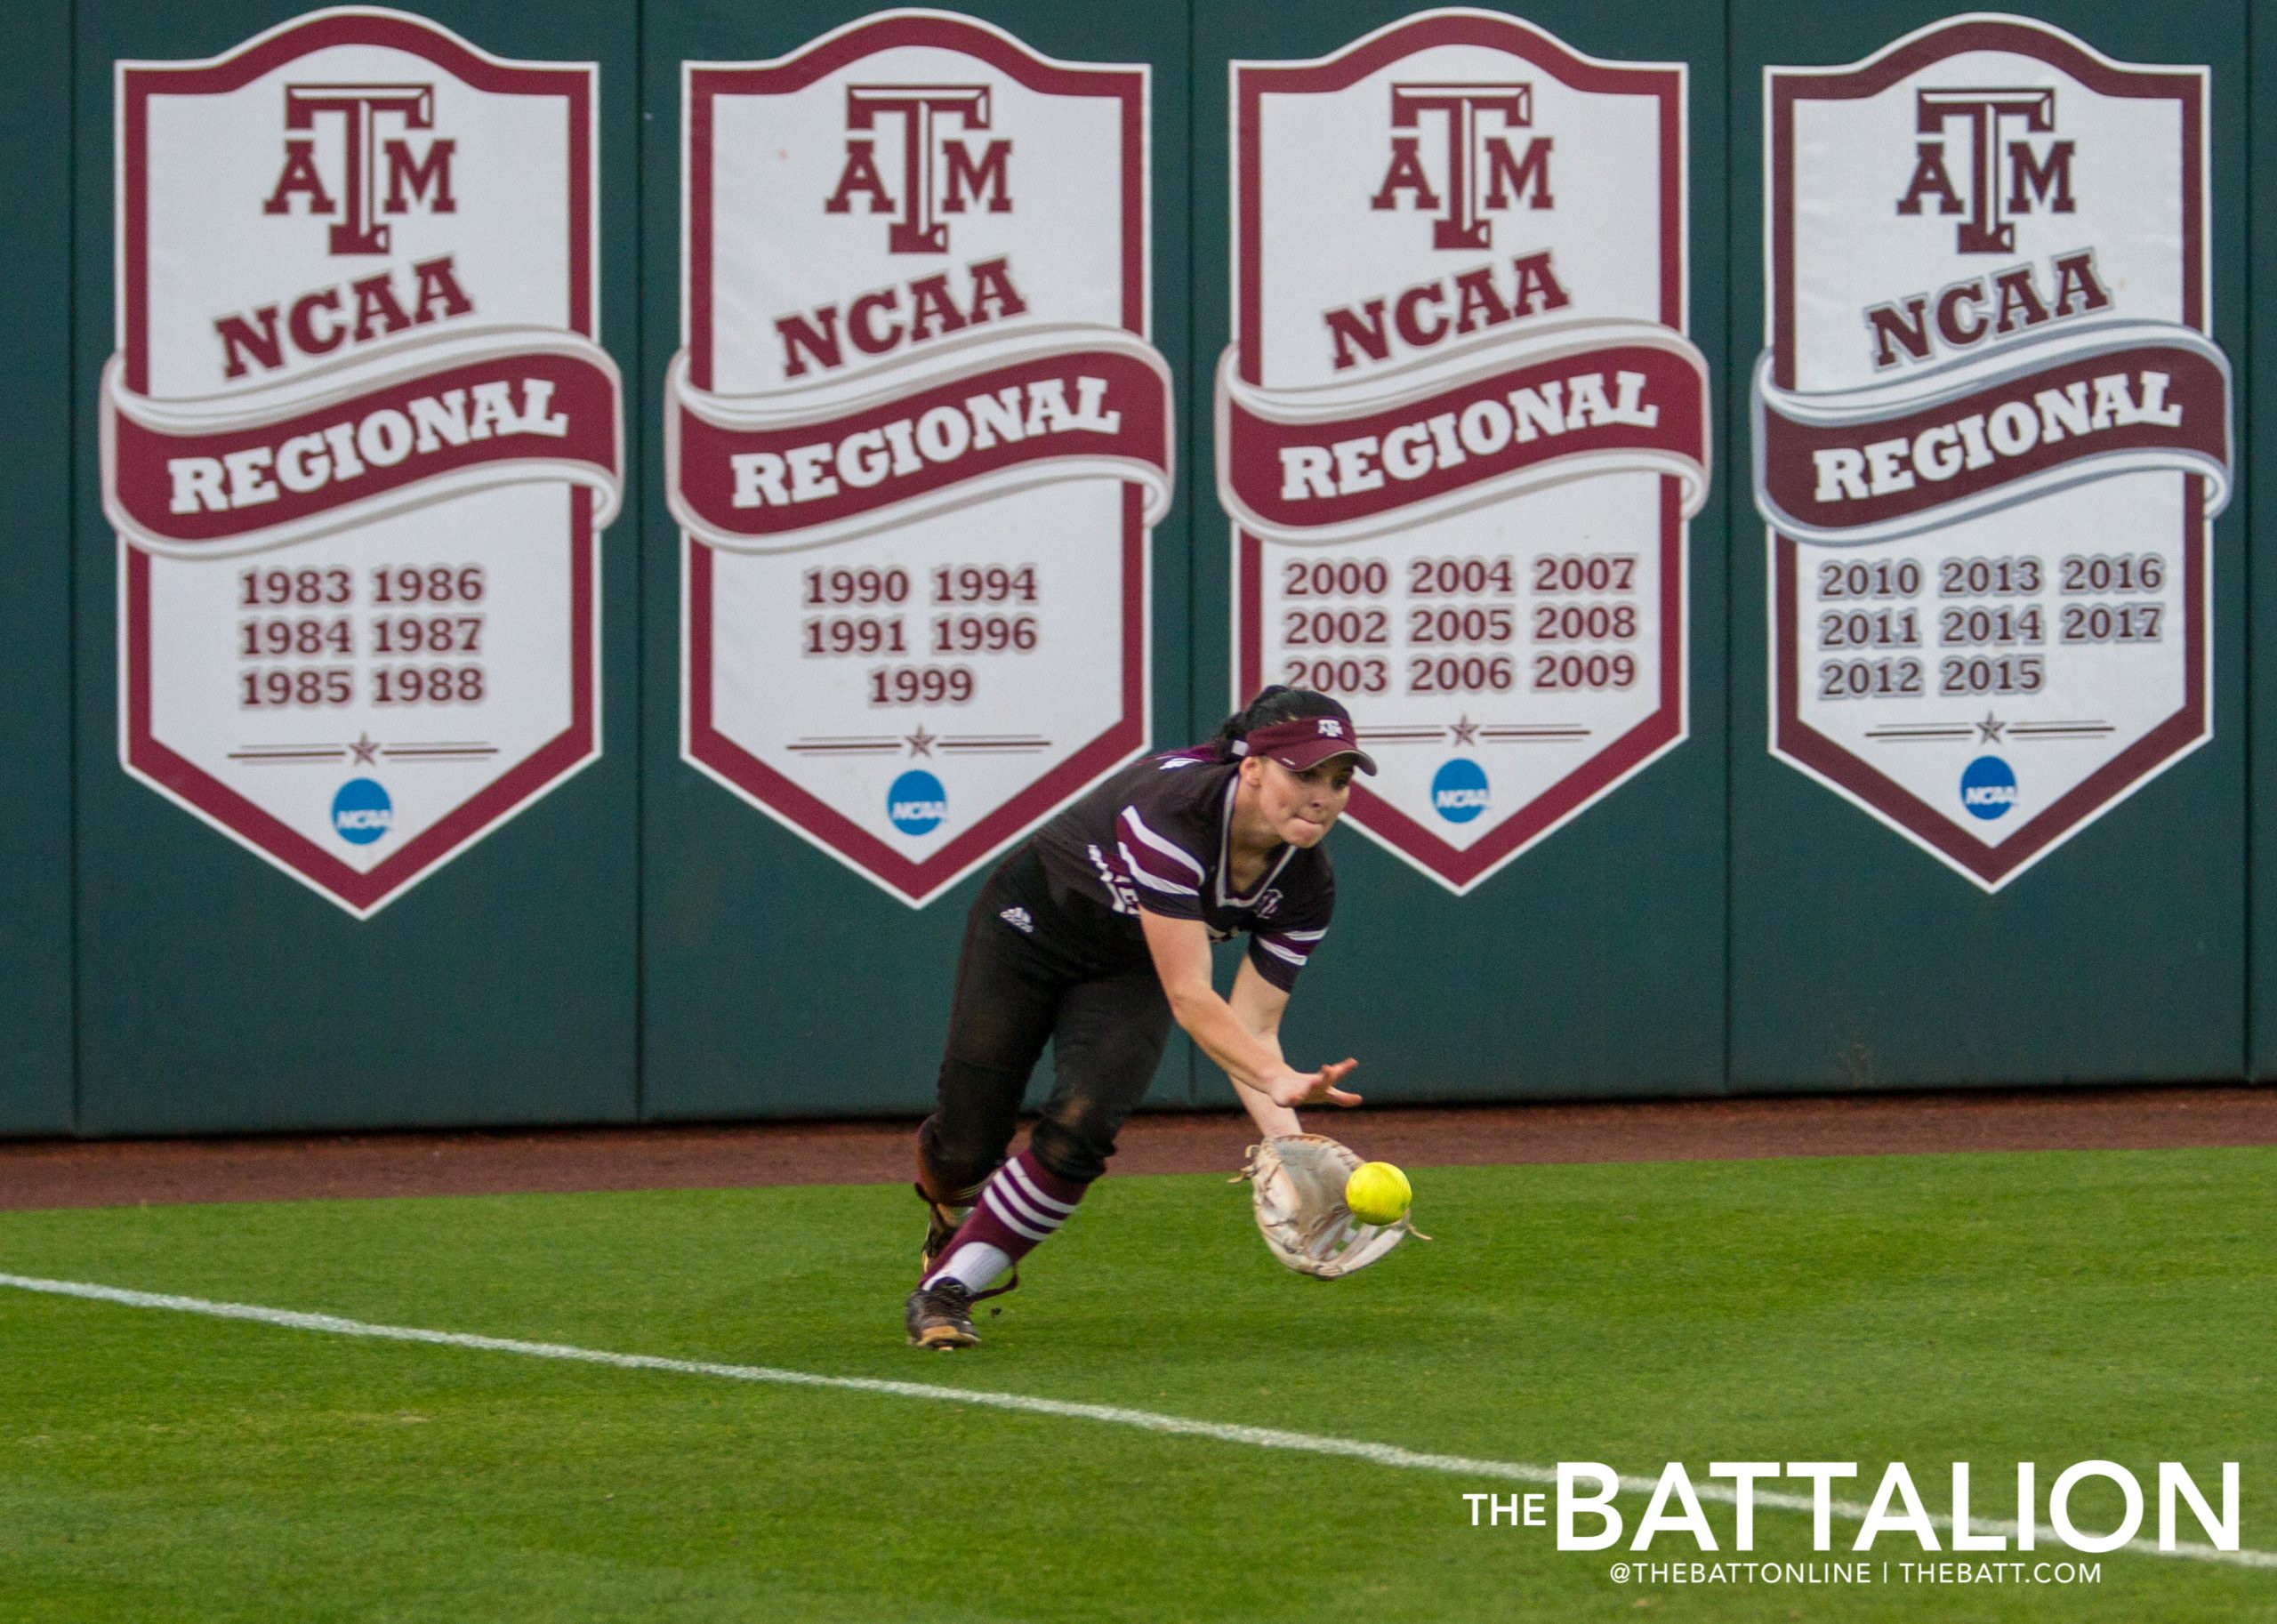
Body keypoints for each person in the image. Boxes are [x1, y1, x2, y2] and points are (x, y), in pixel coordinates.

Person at [904, 686, 1377, 1349]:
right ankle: (953, 1206)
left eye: (1340, 778)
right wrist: (1275, 1078)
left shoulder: (1307, 885)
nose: (1322, 795)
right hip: (1031, 929)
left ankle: (948, 1289)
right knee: (965, 1147)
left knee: (1084, 1128)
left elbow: (1254, 1028)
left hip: (1130, 967)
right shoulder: (1175, 817)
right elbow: (1191, 998)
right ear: (1251, 769)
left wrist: (1292, 1151)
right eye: (1303, 774)